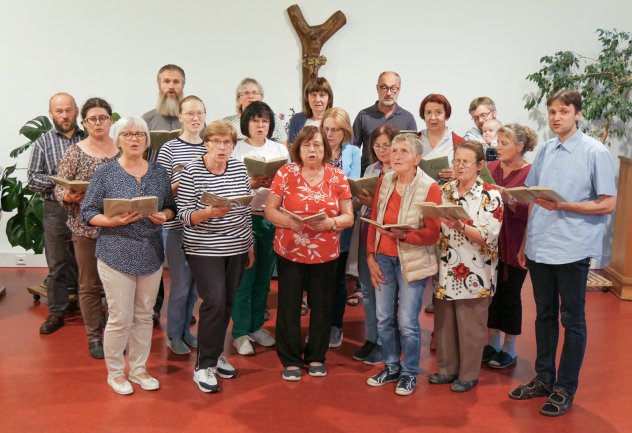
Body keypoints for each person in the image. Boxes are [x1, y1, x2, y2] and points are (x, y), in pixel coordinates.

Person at [509, 90, 616, 417]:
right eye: (552, 111)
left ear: (578, 114)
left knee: (572, 319)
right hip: (541, 245)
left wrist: (565, 205)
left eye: (564, 111)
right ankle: (543, 378)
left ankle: (565, 388)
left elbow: (608, 203)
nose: (557, 117)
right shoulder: (545, 149)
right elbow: (536, 198)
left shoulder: (595, 151)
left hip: (572, 247)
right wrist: (527, 241)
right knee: (543, 316)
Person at [80, 116, 177, 395]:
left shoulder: (158, 172)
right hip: (115, 252)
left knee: (144, 315)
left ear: (147, 140)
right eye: (128, 134)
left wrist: (164, 215)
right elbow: (88, 211)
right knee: (120, 317)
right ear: (119, 138)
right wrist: (110, 221)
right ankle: (115, 373)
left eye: (140, 135)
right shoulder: (105, 173)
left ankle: (138, 369)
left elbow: (170, 206)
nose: (134, 139)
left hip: (150, 252)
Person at [264, 125, 353, 381]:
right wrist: (288, 222)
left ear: (325, 148)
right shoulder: (286, 172)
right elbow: (270, 210)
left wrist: (331, 223)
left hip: (325, 252)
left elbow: (348, 216)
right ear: (297, 149)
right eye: (306, 145)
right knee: (289, 304)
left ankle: (316, 356)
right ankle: (290, 358)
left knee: (322, 306)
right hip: (290, 248)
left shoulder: (337, 176)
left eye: (317, 145)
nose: (312, 150)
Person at [177, 120, 255, 394]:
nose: (222, 147)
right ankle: (203, 366)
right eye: (216, 142)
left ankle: (215, 353)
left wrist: (250, 245)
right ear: (206, 143)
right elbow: (183, 215)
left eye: (228, 143)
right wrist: (208, 213)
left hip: (236, 246)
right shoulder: (191, 171)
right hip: (203, 248)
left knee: (228, 303)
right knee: (214, 301)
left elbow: (245, 211)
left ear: (234, 146)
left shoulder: (238, 167)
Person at [365, 134, 442, 396]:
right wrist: (370, 256)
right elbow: (375, 218)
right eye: (394, 150)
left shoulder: (430, 187)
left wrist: (405, 236)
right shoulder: (385, 180)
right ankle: (391, 366)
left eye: (404, 151)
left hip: (412, 260)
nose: (396, 155)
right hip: (383, 258)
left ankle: (409, 372)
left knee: (407, 321)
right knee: (383, 318)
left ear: (418, 159)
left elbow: (433, 233)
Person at [429, 141, 503, 393]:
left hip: (476, 271)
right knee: (444, 322)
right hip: (446, 266)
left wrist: (461, 226)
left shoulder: (490, 195)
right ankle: (446, 369)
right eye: (456, 160)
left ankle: (468, 374)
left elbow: (489, 236)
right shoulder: (445, 190)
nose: (459, 166)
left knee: (471, 325)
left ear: (480, 165)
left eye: (466, 162)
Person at [54, 98, 120, 359]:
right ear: (84, 122)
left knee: (117, 285)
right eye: (92, 118)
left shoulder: (122, 149)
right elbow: (61, 186)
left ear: (111, 119)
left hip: (118, 227)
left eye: (103, 117)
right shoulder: (74, 151)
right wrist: (68, 196)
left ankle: (115, 333)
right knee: (90, 285)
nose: (98, 123)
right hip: (85, 230)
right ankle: (94, 337)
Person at [230, 102, 290, 356]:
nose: (260, 125)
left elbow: (288, 184)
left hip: (271, 218)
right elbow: (228, 186)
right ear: (246, 123)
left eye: (265, 121)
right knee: (244, 279)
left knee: (264, 278)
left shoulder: (278, 149)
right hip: (242, 218)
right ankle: (240, 332)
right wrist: (250, 181)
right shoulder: (236, 149)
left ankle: (256, 326)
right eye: (255, 120)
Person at [156, 96, 209, 355]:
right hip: (177, 227)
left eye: (199, 113)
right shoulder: (169, 149)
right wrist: (187, 177)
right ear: (181, 117)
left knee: (195, 287)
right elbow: (162, 191)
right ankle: (173, 334)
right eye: (190, 113)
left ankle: (186, 330)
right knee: (179, 285)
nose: (195, 118)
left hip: (203, 227)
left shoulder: (210, 147)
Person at [27, 93, 81, 335]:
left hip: (86, 209)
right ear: (51, 114)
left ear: (77, 111)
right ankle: (57, 313)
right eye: (59, 111)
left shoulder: (90, 138)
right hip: (55, 210)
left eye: (68, 110)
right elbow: (32, 179)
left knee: (89, 262)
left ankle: (92, 311)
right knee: (57, 264)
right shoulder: (43, 142)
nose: (64, 115)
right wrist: (61, 187)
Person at [483, 124, 536, 368]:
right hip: (489, 241)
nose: (498, 147)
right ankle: (492, 342)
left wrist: (510, 200)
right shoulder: (490, 168)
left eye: (504, 143)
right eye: (498, 142)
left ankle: (510, 347)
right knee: (491, 293)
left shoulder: (531, 173)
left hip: (516, 240)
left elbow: (533, 212)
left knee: (511, 294)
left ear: (520, 147)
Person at [346, 124, 398, 365]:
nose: (381, 150)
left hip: (388, 237)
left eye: (386, 145)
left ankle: (385, 343)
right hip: (366, 232)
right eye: (376, 146)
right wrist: (353, 196)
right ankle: (372, 337)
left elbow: (399, 208)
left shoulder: (401, 171)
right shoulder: (371, 168)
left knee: (384, 292)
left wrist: (373, 201)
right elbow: (361, 205)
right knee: (366, 290)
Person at [141, 64, 186, 325]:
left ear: (182, 86)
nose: (171, 86)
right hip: (155, 195)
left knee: (182, 259)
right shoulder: (146, 120)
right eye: (167, 81)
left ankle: (180, 311)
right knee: (154, 254)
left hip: (184, 198)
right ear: (159, 85)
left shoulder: (191, 119)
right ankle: (155, 306)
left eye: (176, 82)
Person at [417, 94, 464, 317]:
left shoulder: (457, 142)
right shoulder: (416, 139)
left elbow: (471, 173)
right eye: (428, 113)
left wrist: (457, 173)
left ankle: (441, 300)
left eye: (438, 112)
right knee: (420, 254)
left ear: (446, 114)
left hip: (446, 205)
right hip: (419, 202)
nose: (433, 117)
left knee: (443, 254)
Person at [321, 107, 360, 347]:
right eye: (325, 129)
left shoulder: (353, 152)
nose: (329, 134)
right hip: (316, 223)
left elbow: (351, 185)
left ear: (345, 131)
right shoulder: (316, 148)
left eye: (334, 129)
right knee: (317, 279)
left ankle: (335, 325)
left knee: (337, 278)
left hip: (341, 223)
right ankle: (319, 325)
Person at [353, 71, 417, 174]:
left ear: (399, 89)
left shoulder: (408, 118)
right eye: (384, 88)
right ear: (377, 88)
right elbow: (353, 149)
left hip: (399, 177)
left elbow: (413, 153)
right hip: (368, 175)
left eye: (393, 88)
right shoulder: (363, 116)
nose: (388, 93)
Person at [223, 78, 288, 145]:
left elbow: (283, 150)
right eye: (246, 93)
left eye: (255, 92)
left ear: (261, 98)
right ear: (238, 100)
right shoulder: (228, 122)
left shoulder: (275, 120)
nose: (251, 96)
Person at [288, 77, 334, 144]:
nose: (317, 100)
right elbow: (293, 149)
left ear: (329, 98)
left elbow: (347, 148)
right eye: (313, 95)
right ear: (307, 97)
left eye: (322, 95)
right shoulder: (297, 120)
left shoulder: (337, 120)